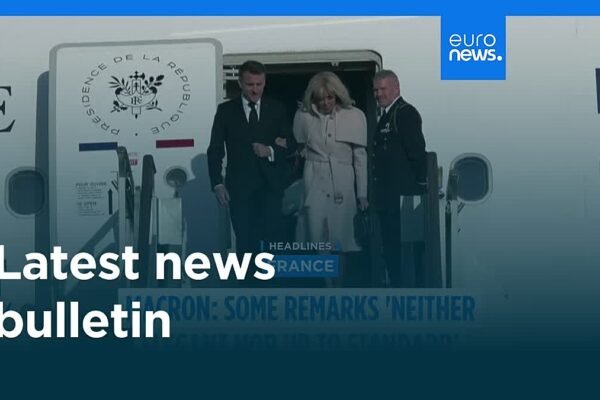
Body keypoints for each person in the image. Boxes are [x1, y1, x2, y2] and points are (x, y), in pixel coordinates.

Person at [207, 60, 295, 255]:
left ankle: (270, 275)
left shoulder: (277, 108)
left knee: (272, 242)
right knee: (246, 243)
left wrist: (270, 151)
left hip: (271, 188)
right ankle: (247, 275)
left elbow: (291, 144)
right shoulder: (226, 111)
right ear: (240, 83)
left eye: (259, 84)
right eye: (250, 84)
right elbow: (215, 149)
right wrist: (217, 183)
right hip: (240, 190)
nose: (255, 90)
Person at [292, 72, 368, 277]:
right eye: (320, 99)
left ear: (337, 96)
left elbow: (360, 158)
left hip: (342, 180)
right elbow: (299, 148)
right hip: (315, 178)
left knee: (340, 238)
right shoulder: (304, 116)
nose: (325, 103)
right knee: (318, 236)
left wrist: (362, 193)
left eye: (329, 98)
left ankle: (338, 287)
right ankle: (326, 286)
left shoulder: (354, 116)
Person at [372, 70, 427, 288]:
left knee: (406, 255)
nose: (378, 94)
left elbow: (417, 154)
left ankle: (409, 296)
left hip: (403, 200)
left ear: (396, 89)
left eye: (383, 89)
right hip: (388, 200)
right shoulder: (386, 116)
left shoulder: (405, 113)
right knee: (391, 251)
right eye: (376, 90)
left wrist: (419, 188)